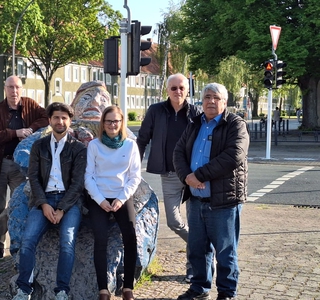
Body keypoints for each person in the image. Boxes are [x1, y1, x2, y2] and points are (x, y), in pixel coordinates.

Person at [173, 83, 249, 300]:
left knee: (226, 252)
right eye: (207, 97)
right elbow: (178, 151)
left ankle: (226, 292)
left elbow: (233, 156)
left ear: (224, 102)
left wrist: (199, 175)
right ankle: (199, 288)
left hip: (223, 201)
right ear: (202, 101)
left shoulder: (235, 124)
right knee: (197, 248)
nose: (211, 101)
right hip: (196, 200)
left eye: (216, 98)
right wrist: (186, 176)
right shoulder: (195, 124)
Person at [12, 102, 86, 300]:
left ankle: (62, 290)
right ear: (50, 120)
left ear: (70, 122)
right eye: (56, 117)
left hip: (69, 203)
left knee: (67, 241)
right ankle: (24, 290)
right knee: (27, 240)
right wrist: (44, 204)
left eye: (64, 118)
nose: (60, 121)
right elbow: (33, 178)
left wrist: (61, 209)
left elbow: (78, 184)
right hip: (42, 200)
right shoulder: (39, 145)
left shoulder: (78, 148)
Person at [136, 73, 201, 282]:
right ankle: (202, 246)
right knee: (174, 221)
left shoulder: (196, 113)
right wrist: (134, 166)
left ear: (188, 90)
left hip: (193, 174)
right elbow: (142, 139)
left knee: (195, 221)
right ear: (167, 90)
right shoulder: (156, 111)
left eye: (181, 87)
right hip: (170, 173)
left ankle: (194, 268)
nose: (178, 91)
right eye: (173, 88)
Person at [0, 75, 48, 260]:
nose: (14, 91)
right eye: (10, 87)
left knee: (18, 204)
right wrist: (15, 133)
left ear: (22, 89)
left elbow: (45, 118)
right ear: (5, 88)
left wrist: (31, 130)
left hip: (21, 165)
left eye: (17, 87)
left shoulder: (30, 105)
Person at [85, 106, 142, 300]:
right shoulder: (94, 145)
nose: (112, 125)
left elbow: (135, 177)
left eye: (116, 121)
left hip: (121, 196)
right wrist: (100, 200)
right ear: (103, 123)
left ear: (121, 122)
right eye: (108, 121)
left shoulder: (130, 145)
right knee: (100, 239)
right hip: (98, 197)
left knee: (130, 237)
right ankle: (103, 289)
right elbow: (89, 177)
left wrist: (121, 199)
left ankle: (128, 287)